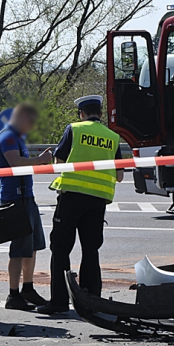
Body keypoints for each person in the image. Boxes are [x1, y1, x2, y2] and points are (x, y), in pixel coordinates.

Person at [37, 95, 123, 315]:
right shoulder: (112, 137)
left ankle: (59, 301)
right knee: (91, 250)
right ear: (101, 114)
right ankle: (91, 300)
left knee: (61, 248)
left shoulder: (74, 129)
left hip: (72, 197)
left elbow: (59, 162)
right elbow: (120, 175)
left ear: (81, 114)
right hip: (98, 200)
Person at [0, 103, 51, 310]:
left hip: (26, 198)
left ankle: (27, 288)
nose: (32, 127)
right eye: (30, 122)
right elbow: (15, 162)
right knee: (18, 249)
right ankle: (13, 294)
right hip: (14, 200)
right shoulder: (8, 136)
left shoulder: (17, 137)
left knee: (32, 247)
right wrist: (41, 160)